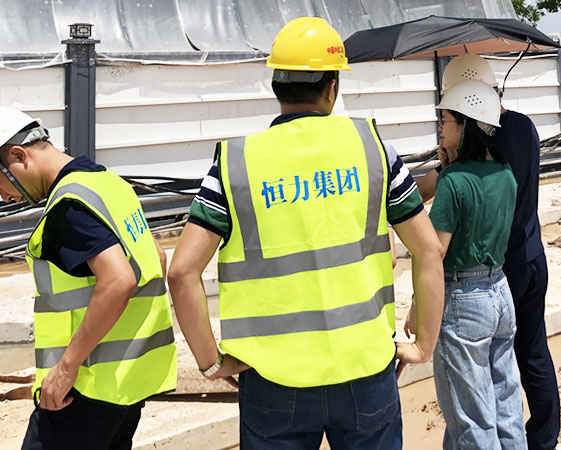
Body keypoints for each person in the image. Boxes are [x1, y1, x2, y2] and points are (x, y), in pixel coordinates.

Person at [167, 17, 445, 449]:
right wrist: (423, 344)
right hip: (366, 372)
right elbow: (428, 251)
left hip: (272, 382)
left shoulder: (235, 163)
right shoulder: (373, 149)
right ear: (332, 87)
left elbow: (182, 272)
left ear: (276, 85)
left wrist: (210, 362)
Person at [0, 107, 177, 450]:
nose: (4, 196)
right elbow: (155, 256)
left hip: (81, 390)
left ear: (19, 155)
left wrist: (66, 369)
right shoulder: (107, 182)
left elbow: (118, 280)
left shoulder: (69, 206)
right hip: (126, 385)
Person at [416, 54, 560, 449]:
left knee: (472, 408)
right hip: (522, 263)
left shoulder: (467, 168)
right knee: (516, 376)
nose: (441, 127)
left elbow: (436, 246)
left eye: (446, 118)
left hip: (484, 274)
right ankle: (543, 439)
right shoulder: (520, 132)